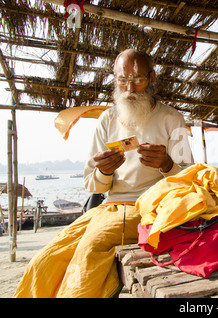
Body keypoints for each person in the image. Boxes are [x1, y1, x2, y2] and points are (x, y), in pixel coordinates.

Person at [14, 49, 193, 298]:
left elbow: (189, 180)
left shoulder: (172, 119)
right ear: (114, 80)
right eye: (122, 80)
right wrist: (104, 172)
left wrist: (166, 164)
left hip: (149, 210)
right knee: (45, 258)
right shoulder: (107, 119)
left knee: (90, 249)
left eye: (138, 80)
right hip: (107, 208)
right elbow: (92, 185)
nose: (129, 88)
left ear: (152, 78)